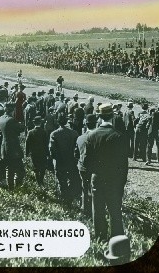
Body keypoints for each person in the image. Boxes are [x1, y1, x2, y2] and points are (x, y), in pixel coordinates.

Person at [84, 103, 128, 241]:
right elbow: (123, 165)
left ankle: (100, 238)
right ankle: (117, 240)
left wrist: (92, 176)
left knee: (98, 210)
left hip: (97, 178)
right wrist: (122, 184)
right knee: (115, 211)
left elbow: (86, 162)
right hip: (114, 180)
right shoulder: (118, 136)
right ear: (113, 116)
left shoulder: (91, 136)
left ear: (99, 117)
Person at [49, 113, 80, 203]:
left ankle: (64, 197)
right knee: (71, 178)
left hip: (59, 161)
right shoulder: (74, 133)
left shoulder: (54, 134)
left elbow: (52, 150)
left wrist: (55, 158)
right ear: (66, 121)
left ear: (58, 122)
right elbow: (77, 148)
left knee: (61, 180)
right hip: (71, 161)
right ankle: (70, 196)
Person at [74, 114, 97, 218]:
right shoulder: (98, 138)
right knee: (95, 189)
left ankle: (84, 209)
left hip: (82, 167)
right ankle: (94, 211)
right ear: (95, 124)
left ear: (85, 124)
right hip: (95, 168)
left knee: (84, 187)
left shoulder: (80, 138)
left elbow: (75, 154)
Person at [0, 102, 25, 190]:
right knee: (17, 169)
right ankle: (14, 187)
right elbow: (21, 128)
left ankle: (11, 187)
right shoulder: (11, 120)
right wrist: (22, 123)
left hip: (4, 146)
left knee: (9, 168)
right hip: (13, 148)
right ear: (12, 110)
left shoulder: (1, 118)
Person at [26, 116, 49, 187]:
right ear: (41, 123)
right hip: (43, 152)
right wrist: (48, 153)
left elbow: (27, 143)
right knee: (42, 167)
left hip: (34, 153)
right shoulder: (44, 132)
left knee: (36, 168)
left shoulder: (30, 132)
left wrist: (27, 153)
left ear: (34, 123)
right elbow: (46, 143)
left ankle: (38, 182)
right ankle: (41, 181)